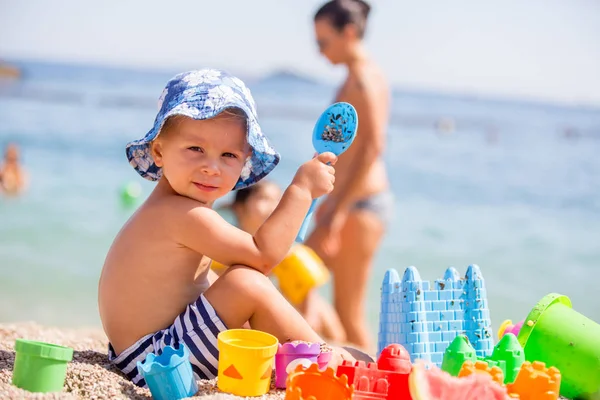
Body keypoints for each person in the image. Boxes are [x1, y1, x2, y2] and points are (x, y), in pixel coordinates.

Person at [97, 69, 354, 388]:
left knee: (232, 281)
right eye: (195, 149)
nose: (211, 166)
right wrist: (300, 191)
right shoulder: (184, 214)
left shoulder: (173, 209)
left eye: (228, 155)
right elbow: (262, 257)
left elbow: (202, 283)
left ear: (244, 159)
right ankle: (325, 358)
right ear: (159, 151)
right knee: (246, 283)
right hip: (158, 363)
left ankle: (304, 353)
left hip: (143, 355)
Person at [306, 0, 394, 352]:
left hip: (359, 207)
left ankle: (379, 380)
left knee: (349, 311)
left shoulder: (363, 78)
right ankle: (332, 356)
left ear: (350, 32)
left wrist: (335, 214)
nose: (320, 52)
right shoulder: (360, 75)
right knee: (298, 276)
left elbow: (373, 148)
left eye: (323, 42)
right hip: (350, 204)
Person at [215, 180, 346, 343]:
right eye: (264, 198)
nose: (273, 206)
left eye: (278, 199)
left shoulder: (294, 256)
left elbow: (313, 319)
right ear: (239, 207)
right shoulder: (218, 251)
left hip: (311, 335)